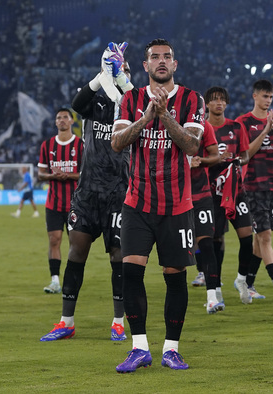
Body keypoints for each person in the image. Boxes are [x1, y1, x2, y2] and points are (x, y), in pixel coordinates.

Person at [111, 38, 204, 372]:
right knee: (130, 272)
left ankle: (171, 349)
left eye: (167, 57)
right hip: (137, 203)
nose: (161, 62)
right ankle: (139, 348)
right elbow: (118, 142)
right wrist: (147, 115)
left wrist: (164, 117)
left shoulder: (193, 99)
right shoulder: (130, 99)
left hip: (177, 206)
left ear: (175, 65)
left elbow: (193, 146)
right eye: (155, 57)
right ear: (145, 65)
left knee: (174, 277)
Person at [40, 43, 133, 342]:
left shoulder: (133, 105)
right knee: (76, 252)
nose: (120, 72)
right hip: (87, 192)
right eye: (117, 68)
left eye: (125, 69)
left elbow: (135, 101)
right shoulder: (96, 102)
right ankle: (67, 321)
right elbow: (77, 104)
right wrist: (101, 74)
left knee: (118, 257)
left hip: (119, 193)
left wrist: (120, 78)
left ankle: (118, 321)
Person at [236, 79, 273, 301]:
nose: (268, 100)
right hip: (253, 186)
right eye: (264, 96)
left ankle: (247, 283)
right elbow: (245, 153)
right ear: (255, 96)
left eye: (270, 97)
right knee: (265, 237)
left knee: (261, 239)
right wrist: (265, 129)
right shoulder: (242, 123)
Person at [203, 86, 253, 305]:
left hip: (235, 191)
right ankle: (216, 285)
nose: (219, 103)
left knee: (247, 237)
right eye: (214, 100)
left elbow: (245, 156)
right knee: (216, 241)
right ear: (206, 104)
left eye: (222, 99)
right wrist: (217, 160)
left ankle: (242, 279)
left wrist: (234, 161)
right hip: (211, 193)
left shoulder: (236, 127)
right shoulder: (202, 128)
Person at [38, 108, 83, 294]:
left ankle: (72, 280)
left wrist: (69, 175)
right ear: (55, 122)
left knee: (76, 244)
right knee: (54, 240)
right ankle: (55, 280)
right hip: (53, 203)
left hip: (75, 204)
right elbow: (40, 175)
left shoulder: (81, 145)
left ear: (72, 121)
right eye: (58, 118)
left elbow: (86, 174)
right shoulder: (47, 145)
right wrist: (53, 176)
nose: (62, 120)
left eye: (65, 117)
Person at [189, 121, 226, 313]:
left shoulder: (204, 125)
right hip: (175, 197)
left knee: (206, 243)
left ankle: (212, 297)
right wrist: (186, 163)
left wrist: (200, 161)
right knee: (175, 256)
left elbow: (215, 156)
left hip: (201, 195)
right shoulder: (165, 123)